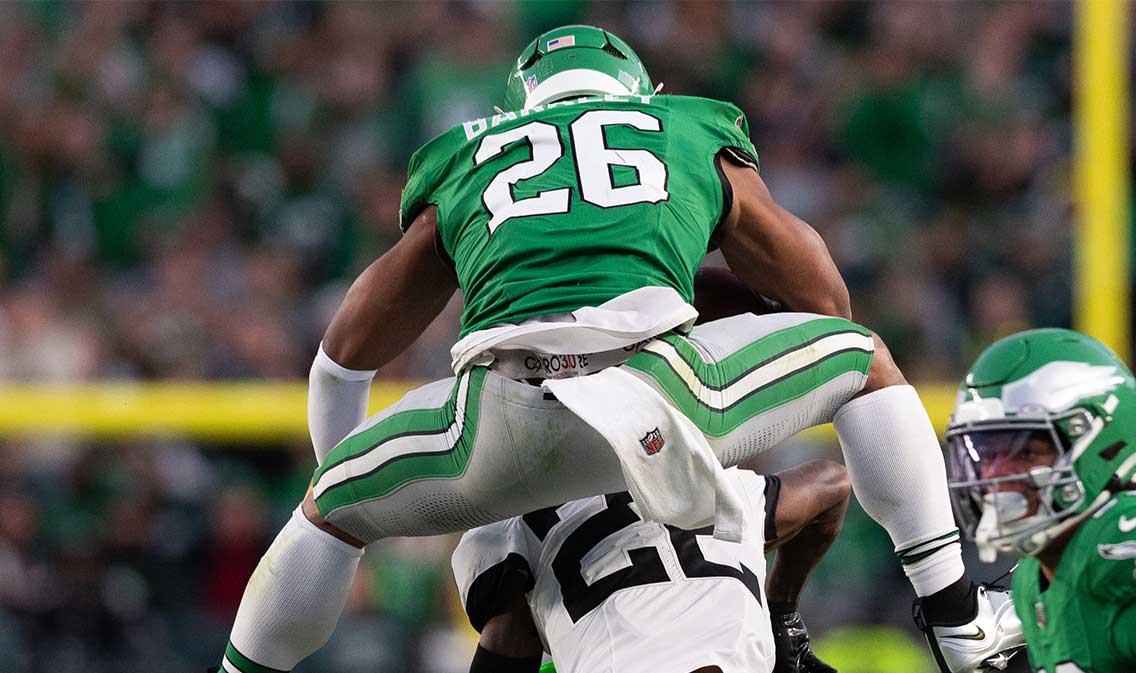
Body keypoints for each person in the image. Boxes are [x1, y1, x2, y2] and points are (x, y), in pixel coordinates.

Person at [214, 25, 1020, 673]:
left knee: (323, 512)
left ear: (518, 106)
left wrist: (346, 474)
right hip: (658, 395)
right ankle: (957, 621)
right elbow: (823, 297)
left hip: (500, 421)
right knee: (860, 355)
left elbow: (342, 355)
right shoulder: (684, 127)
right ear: (639, 94)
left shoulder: (467, 155)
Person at [453, 460, 850, 673]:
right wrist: (782, 611)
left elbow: (509, 641)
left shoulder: (516, 524)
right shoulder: (724, 493)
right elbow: (833, 483)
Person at [940, 328, 1136, 673]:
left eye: (1026, 452)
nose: (994, 475)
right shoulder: (1032, 575)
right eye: (987, 454)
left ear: (1100, 448)